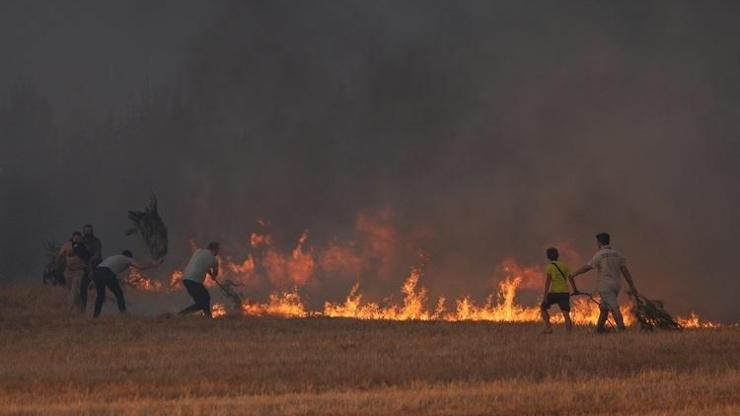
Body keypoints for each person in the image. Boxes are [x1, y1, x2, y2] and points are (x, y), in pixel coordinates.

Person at [570, 233, 639, 333]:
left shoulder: (600, 255)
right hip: (616, 285)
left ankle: (622, 329)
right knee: (604, 308)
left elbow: (588, 267)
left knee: (614, 307)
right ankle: (599, 330)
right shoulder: (618, 254)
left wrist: (574, 274)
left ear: (599, 243)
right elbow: (625, 271)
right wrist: (632, 285)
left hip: (605, 286)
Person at [93, 250, 159, 318]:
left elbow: (116, 275)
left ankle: (95, 316)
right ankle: (123, 313)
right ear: (129, 256)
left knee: (100, 296)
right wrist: (152, 264)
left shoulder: (116, 257)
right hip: (106, 272)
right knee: (119, 293)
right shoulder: (127, 259)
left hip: (97, 272)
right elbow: (140, 267)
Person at [540, 247, 579, 333]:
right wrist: (575, 290)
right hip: (564, 293)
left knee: (543, 307)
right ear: (557, 255)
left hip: (554, 293)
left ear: (548, 257)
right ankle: (569, 332)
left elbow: (548, 282)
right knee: (565, 313)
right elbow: (571, 278)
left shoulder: (550, 267)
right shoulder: (565, 265)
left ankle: (548, 328)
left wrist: (545, 295)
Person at [179, 242, 220, 318]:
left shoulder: (198, 251)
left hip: (186, 278)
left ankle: (207, 316)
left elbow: (200, 263)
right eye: (217, 251)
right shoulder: (214, 260)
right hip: (194, 281)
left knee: (204, 298)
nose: (217, 253)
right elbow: (214, 274)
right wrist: (213, 276)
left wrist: (208, 271)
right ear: (215, 250)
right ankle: (181, 314)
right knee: (203, 300)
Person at [57, 232, 91, 312]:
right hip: (68, 271)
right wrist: (59, 265)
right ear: (72, 237)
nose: (76, 239)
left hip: (79, 271)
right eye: (75, 237)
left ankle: (69, 310)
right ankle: (81, 309)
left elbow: (88, 259)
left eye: (78, 237)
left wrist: (90, 270)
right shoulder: (67, 245)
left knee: (74, 290)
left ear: (80, 238)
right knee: (71, 291)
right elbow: (60, 255)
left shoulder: (83, 247)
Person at [80, 224, 103, 312]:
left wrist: (89, 259)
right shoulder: (81, 241)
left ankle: (99, 308)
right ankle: (83, 308)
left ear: (92, 231)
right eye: (86, 231)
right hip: (84, 267)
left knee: (99, 287)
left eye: (89, 230)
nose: (87, 232)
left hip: (96, 267)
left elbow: (97, 254)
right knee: (83, 288)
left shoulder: (96, 241)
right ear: (84, 231)